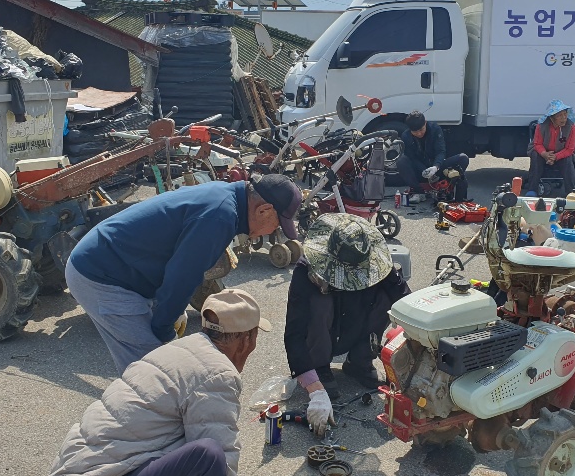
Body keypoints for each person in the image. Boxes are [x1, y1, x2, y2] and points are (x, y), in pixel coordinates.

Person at [45, 288, 268, 476]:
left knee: (187, 442)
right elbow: (223, 458)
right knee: (207, 457)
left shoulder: (179, 348)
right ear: (247, 340)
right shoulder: (217, 374)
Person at [65, 174, 300, 374]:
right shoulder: (219, 217)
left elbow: (181, 267)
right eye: (277, 225)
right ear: (264, 210)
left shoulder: (226, 195)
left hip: (112, 262)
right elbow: (182, 278)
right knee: (154, 371)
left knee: (159, 366)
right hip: (101, 275)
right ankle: (142, 412)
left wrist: (171, 314)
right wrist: (164, 330)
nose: (273, 232)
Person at [284, 213, 411, 435]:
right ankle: (320, 368)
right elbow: (294, 332)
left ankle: (360, 361)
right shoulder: (307, 270)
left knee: (387, 298)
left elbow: (404, 298)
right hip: (325, 334)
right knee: (319, 303)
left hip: (357, 324)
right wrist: (315, 389)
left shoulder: (377, 262)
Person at [397, 110, 469, 202]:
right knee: (401, 161)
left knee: (463, 158)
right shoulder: (406, 136)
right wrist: (424, 170)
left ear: (425, 123)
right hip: (420, 171)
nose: (419, 134)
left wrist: (436, 167)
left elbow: (441, 151)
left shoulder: (435, 129)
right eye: (415, 132)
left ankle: (447, 188)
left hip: (437, 169)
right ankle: (419, 192)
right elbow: (412, 158)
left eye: (421, 130)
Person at [527, 99, 575, 197]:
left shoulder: (571, 127)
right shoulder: (541, 126)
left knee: (567, 159)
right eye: (560, 116)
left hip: (562, 153)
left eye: (565, 114)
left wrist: (555, 156)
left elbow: (569, 149)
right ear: (552, 118)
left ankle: (571, 192)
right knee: (535, 155)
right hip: (544, 152)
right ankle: (532, 189)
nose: (564, 118)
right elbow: (537, 144)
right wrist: (545, 155)